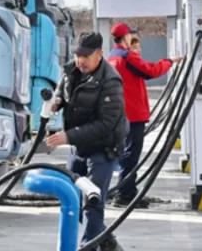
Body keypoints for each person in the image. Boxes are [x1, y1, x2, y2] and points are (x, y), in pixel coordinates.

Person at [46, 32, 127, 251]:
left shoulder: (111, 81)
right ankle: (106, 241)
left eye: (86, 56)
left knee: (92, 203)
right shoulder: (72, 70)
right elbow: (62, 88)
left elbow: (106, 124)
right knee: (73, 199)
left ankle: (88, 247)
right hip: (79, 148)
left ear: (99, 54)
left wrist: (68, 136)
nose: (80, 60)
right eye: (78, 55)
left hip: (103, 148)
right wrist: (57, 100)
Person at [106, 23, 180, 208]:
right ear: (126, 37)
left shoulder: (111, 57)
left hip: (120, 113)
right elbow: (151, 70)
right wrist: (169, 62)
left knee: (126, 153)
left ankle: (127, 190)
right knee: (131, 155)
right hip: (133, 114)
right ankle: (125, 194)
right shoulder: (127, 57)